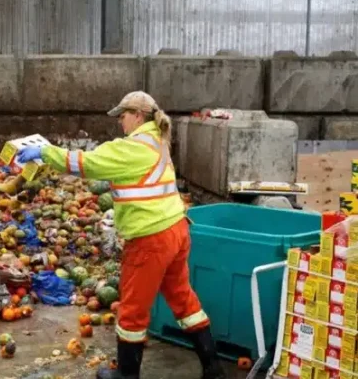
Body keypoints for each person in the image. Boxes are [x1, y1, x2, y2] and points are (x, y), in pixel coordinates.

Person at [15, 91, 226, 379]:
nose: (120, 123)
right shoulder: (157, 140)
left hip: (151, 238)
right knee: (183, 300)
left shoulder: (133, 147)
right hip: (177, 228)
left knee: (132, 311)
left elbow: (87, 163)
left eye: (123, 116)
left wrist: (45, 152)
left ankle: (127, 375)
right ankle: (213, 368)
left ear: (138, 116)